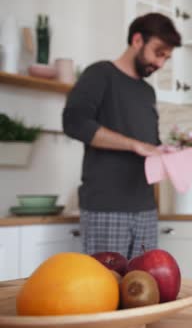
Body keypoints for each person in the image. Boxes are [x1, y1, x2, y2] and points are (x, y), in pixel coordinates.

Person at [62, 13, 181, 259]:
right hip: (106, 208)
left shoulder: (148, 92)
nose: (160, 64)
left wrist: (168, 153)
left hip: (146, 209)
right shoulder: (99, 74)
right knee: (104, 288)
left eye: (166, 58)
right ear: (137, 40)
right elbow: (74, 122)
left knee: (146, 290)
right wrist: (134, 145)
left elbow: (151, 143)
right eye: (158, 53)